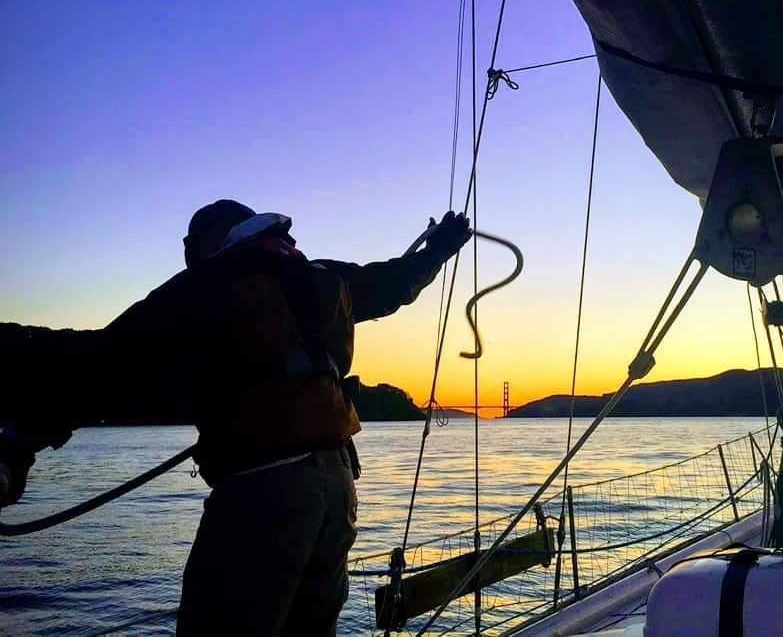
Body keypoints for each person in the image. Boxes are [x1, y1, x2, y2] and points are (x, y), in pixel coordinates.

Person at [0, 199, 471, 635]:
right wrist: (438, 250)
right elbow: (393, 284)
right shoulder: (322, 278)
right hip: (337, 490)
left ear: (205, 244)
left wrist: (23, 439)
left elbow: (108, 362)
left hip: (265, 494)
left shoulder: (209, 284)